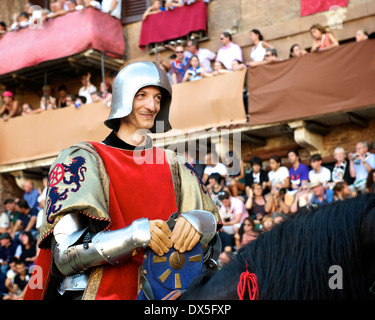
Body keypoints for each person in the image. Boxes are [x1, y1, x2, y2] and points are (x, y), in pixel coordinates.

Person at [24, 61, 221, 300]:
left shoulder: (174, 164)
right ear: (123, 98)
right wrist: (135, 235)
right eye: (142, 95)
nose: (152, 105)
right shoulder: (82, 159)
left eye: (158, 98)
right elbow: (65, 256)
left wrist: (198, 222)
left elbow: (212, 247)